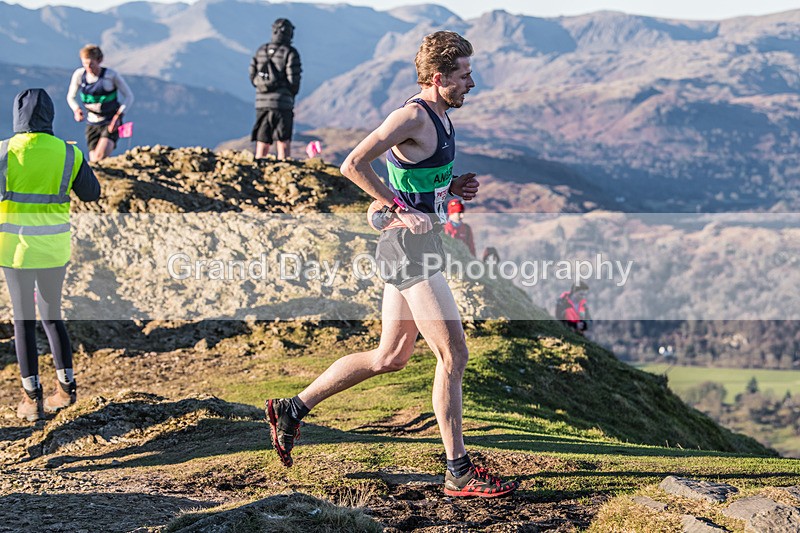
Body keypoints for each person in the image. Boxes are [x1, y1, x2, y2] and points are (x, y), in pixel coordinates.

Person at [266, 31, 519, 498]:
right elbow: (353, 164)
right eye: (464, 75)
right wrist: (399, 209)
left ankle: (292, 408)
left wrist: (449, 187)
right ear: (439, 77)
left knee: (391, 357)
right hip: (408, 250)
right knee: (454, 354)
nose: (473, 83)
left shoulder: (442, 115)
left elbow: (414, 177)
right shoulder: (411, 116)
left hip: (415, 247)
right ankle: (458, 471)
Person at [1, 88, 101, 421]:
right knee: (52, 317)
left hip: (15, 251)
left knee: (23, 321)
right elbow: (91, 192)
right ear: (50, 116)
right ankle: (66, 390)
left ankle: (32, 400)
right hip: (55, 249)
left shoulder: (4, 153)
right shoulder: (67, 153)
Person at [67, 44, 134, 162]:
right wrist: (76, 110)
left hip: (110, 121)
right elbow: (70, 97)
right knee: (94, 160)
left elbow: (129, 96)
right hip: (92, 122)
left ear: (99, 60)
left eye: (91, 64)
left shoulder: (110, 76)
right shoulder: (79, 75)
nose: (88, 67)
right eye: (84, 64)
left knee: (99, 157)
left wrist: (119, 116)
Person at [249, 18, 302, 160]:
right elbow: (294, 80)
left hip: (261, 103)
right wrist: (290, 94)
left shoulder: (261, 51)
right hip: (282, 104)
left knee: (263, 139)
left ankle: (259, 167)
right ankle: (285, 167)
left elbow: (252, 76)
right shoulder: (290, 53)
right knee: (283, 140)